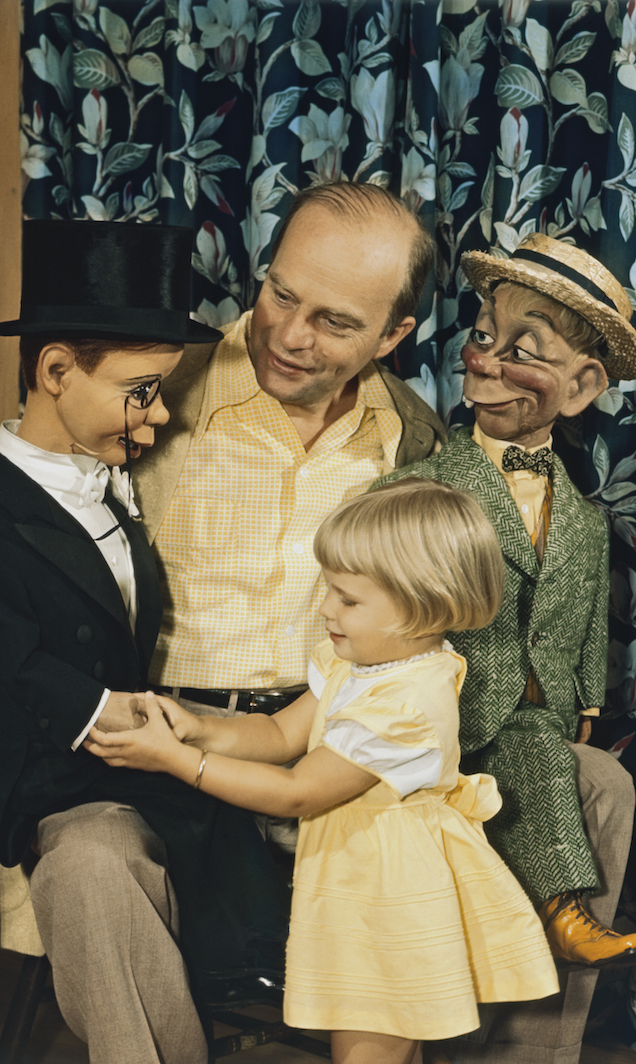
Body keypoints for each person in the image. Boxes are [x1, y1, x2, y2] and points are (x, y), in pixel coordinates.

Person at [0, 219, 293, 1064]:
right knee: (96, 865)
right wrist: (179, 736)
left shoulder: (110, 486)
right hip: (61, 790)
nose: (158, 418)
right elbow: (30, 679)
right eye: (142, 392)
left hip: (139, 769)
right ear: (54, 372)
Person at [85, 479, 561, 1064]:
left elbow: (295, 792)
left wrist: (176, 760)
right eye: (329, 590)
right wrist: (196, 727)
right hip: (353, 883)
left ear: (423, 603)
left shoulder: (406, 703)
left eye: (347, 599)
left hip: (391, 897)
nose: (326, 609)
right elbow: (282, 735)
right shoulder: (360, 661)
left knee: (367, 1048)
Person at [377, 236, 636, 996]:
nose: (487, 362)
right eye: (481, 337)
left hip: (542, 707)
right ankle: (567, 917)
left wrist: (589, 702)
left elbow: (588, 611)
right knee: (536, 746)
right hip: (453, 708)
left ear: (582, 387)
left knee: (559, 750)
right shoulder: (426, 484)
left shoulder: (586, 517)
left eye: (522, 350)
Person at [132, 183, 447, 800]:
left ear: (391, 335)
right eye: (282, 294)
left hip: (331, 740)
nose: (290, 336)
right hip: (169, 729)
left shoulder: (415, 442)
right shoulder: (153, 391)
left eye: (335, 322)